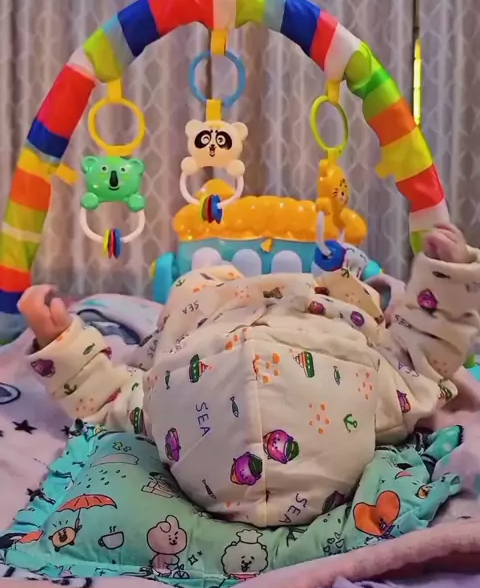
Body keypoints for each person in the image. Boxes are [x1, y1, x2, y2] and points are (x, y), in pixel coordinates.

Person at [19, 224, 480, 528]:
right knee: (406, 369)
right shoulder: (366, 368)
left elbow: (109, 399)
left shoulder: (166, 378)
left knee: (143, 391)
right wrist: (446, 274)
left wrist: (59, 340)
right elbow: (422, 355)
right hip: (331, 399)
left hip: (200, 414)